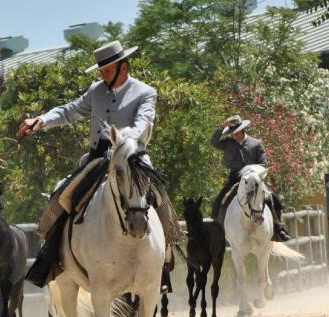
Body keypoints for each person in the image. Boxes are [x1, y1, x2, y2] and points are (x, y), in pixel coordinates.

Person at [18, 40, 181, 288]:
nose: (103, 75)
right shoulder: (96, 91)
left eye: (107, 70)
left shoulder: (146, 92)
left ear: (123, 68)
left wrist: (124, 141)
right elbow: (70, 110)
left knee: (160, 199)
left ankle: (164, 261)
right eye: (101, 71)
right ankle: (52, 256)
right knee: (63, 195)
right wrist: (41, 120)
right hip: (97, 158)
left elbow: (143, 123)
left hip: (132, 157)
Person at [210, 115, 291, 242]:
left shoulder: (256, 144)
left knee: (272, 198)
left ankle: (279, 228)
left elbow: (263, 164)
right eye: (231, 133)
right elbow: (213, 142)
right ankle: (219, 229)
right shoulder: (228, 143)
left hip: (254, 178)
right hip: (234, 178)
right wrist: (222, 126)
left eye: (235, 133)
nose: (233, 136)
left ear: (242, 130)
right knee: (220, 200)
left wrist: (251, 172)